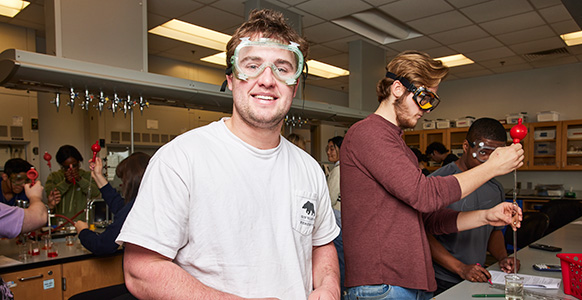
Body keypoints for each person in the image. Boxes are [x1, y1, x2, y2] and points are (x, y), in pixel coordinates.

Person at [116, 9, 340, 300]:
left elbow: (321, 245)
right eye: (252, 65)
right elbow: (140, 270)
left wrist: (328, 287)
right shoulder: (181, 159)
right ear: (232, 79)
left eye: (282, 68)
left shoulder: (309, 169)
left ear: (294, 86)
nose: (267, 80)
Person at [340, 50, 524, 299]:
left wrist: (486, 216)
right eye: (423, 98)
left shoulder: (398, 145)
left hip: (406, 282)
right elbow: (424, 195)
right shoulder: (369, 133)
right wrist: (491, 167)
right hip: (382, 284)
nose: (426, 109)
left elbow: (429, 219)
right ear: (397, 88)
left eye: (432, 101)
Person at [427, 118, 521, 295]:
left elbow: (494, 231)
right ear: (466, 146)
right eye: (483, 153)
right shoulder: (438, 183)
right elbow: (424, 236)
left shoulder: (494, 188)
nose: (489, 162)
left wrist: (502, 258)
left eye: (495, 156)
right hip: (441, 279)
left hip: (476, 276)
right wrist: (460, 268)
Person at [74, 152, 150, 255]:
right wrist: (98, 176)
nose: (122, 185)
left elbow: (102, 245)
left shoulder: (135, 208)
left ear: (131, 181)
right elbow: (120, 207)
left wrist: (83, 231)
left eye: (124, 180)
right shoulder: (146, 202)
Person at [45, 145, 100, 222]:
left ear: (79, 162)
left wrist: (80, 180)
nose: (71, 169)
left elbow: (96, 193)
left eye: (74, 166)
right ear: (62, 165)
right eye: (67, 167)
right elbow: (50, 195)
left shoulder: (88, 176)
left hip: (83, 224)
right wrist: (66, 183)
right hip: (60, 225)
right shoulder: (54, 177)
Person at [326, 135, 345, 295]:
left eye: (332, 148)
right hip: (344, 219)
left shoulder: (338, 170)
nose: (328, 152)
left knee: (339, 260)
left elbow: (329, 199)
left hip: (337, 220)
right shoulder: (346, 168)